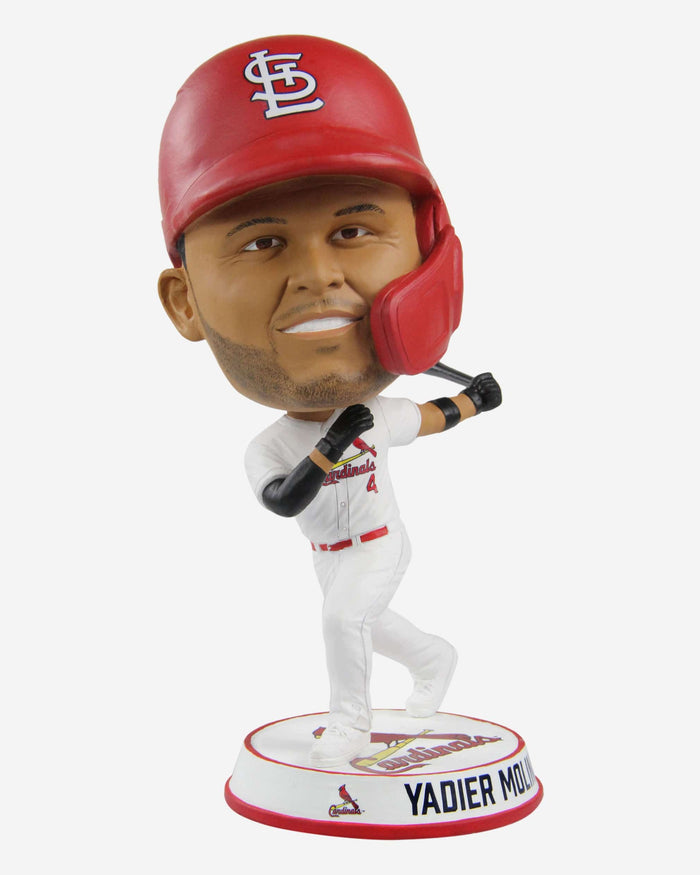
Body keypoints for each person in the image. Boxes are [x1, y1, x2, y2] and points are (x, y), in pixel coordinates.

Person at [157, 36, 501, 766]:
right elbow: (284, 500)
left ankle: (350, 726)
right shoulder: (273, 446)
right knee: (365, 623)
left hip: (379, 542)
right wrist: (332, 444)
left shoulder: (373, 419)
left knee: (344, 621)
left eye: (352, 231)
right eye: (262, 243)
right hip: (326, 551)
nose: (318, 275)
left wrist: (475, 400)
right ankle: (434, 656)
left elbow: (429, 418)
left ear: (428, 253)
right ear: (185, 302)